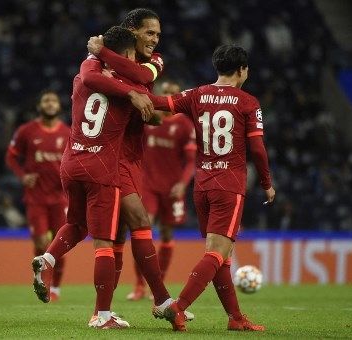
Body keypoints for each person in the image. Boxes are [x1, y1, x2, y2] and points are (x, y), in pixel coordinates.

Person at [30, 26, 157, 329]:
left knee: (77, 224)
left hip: (70, 163)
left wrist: (96, 53)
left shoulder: (84, 73)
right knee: (105, 241)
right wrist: (139, 96)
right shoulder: (128, 86)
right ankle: (102, 316)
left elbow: (90, 74)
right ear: (127, 54)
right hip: (102, 168)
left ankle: (46, 259)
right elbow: (153, 112)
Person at [155, 45, 275, 331]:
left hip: (202, 185)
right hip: (229, 184)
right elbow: (257, 149)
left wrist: (129, 91)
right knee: (217, 253)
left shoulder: (196, 95)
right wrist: (267, 183)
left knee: (221, 256)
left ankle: (235, 318)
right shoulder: (248, 102)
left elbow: (163, 103)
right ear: (242, 70)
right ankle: (179, 307)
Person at [86, 8, 194, 322]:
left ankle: (107, 310)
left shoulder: (151, 62)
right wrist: (131, 94)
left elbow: (145, 81)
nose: (154, 40)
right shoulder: (98, 64)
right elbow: (89, 78)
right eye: (149, 33)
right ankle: (157, 301)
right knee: (133, 225)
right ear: (132, 30)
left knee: (120, 234)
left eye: (158, 34)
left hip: (129, 160)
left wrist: (104, 54)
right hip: (108, 158)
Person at [127, 81, 196, 301]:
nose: (168, 95)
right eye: (164, 92)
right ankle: (139, 285)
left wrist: (183, 184)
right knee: (142, 230)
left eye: (172, 93)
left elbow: (192, 161)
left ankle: (159, 282)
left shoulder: (185, 125)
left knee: (166, 233)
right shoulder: (149, 118)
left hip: (172, 188)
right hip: (147, 185)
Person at [6, 90, 70, 301]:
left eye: (53, 100)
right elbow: (11, 157)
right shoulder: (26, 131)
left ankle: (56, 288)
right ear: (40, 106)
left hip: (61, 198)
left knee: (59, 244)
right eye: (46, 100)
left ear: (59, 107)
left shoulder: (68, 133)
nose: (50, 104)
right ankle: (41, 280)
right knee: (42, 242)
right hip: (36, 198)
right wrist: (23, 176)